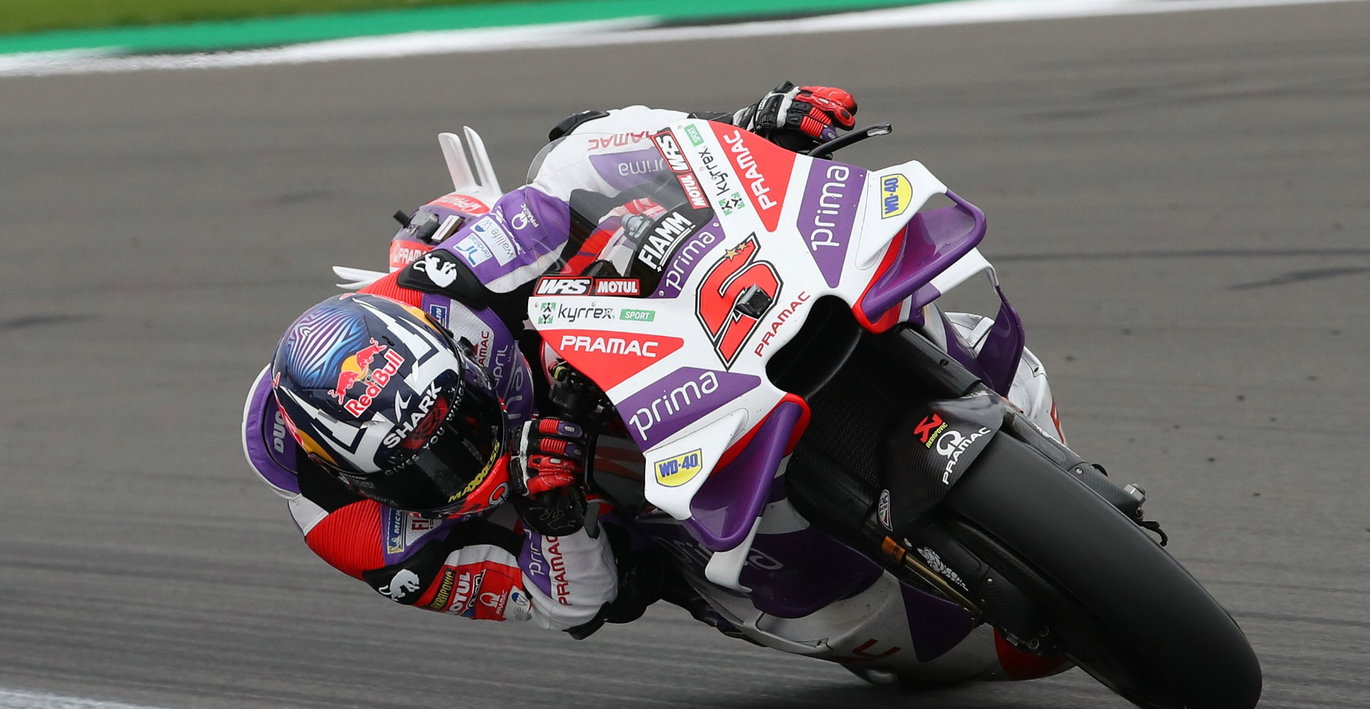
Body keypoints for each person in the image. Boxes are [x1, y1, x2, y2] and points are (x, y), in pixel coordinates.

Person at [242, 82, 1067, 666]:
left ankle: (972, 395)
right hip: (601, 514)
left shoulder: (452, 283)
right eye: (430, 468)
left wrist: (746, 131)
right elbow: (570, 608)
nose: (464, 456)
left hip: (591, 348)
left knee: (580, 165)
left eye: (459, 426)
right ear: (352, 475)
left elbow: (579, 169)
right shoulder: (361, 536)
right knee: (911, 641)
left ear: (449, 351)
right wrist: (555, 513)